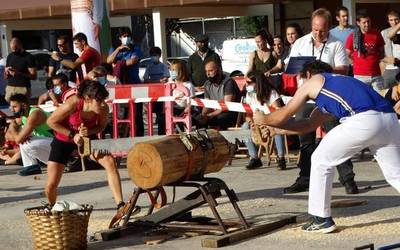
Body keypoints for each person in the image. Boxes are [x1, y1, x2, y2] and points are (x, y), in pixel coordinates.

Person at [253, 61, 400, 233]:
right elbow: (309, 124)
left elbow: (284, 113)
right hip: (389, 120)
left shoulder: (313, 81)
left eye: (300, 77)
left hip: (363, 120)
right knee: (395, 173)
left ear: (308, 74)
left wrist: (264, 119)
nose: (300, 82)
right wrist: (276, 129)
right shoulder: (340, 86)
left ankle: (320, 218)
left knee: (320, 160)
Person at [283, 8, 358, 195]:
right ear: (311, 25)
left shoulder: (336, 45)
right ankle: (305, 178)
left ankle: (348, 179)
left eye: (322, 30)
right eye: (315, 29)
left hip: (329, 95)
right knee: (304, 137)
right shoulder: (300, 43)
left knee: (337, 136)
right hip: (306, 96)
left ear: (329, 27)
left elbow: (344, 70)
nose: (318, 33)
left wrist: (323, 70)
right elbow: (291, 70)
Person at [46, 80, 125, 210]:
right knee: (51, 184)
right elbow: (51, 122)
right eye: (99, 100)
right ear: (88, 99)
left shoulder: (103, 108)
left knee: (110, 161)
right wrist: (73, 135)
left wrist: (89, 131)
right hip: (64, 139)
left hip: (87, 139)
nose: (103, 104)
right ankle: (52, 207)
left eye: (104, 99)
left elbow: (101, 126)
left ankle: (121, 205)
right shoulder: (73, 103)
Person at [242, 71, 286, 170]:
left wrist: (266, 121)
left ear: (257, 83)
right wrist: (251, 122)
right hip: (256, 121)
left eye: (249, 83)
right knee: (244, 127)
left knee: (277, 127)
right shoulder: (249, 94)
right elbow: (247, 114)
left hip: (271, 120)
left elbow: (277, 112)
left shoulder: (271, 93)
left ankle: (281, 157)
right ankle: (255, 158)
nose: (246, 85)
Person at [106, 27, 144, 136]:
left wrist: (117, 64)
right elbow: (108, 60)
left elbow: (133, 61)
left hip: (134, 84)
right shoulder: (114, 49)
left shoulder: (135, 48)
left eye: (128, 36)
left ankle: (139, 136)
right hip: (119, 86)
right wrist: (118, 50)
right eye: (124, 36)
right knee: (121, 114)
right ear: (119, 38)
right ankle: (123, 135)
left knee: (136, 114)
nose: (126, 38)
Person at [7, 94, 53, 176]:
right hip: (49, 143)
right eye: (11, 107)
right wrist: (19, 135)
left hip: (58, 143)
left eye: (14, 107)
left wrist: (13, 127)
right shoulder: (23, 117)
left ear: (24, 105)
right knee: (25, 140)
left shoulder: (35, 114)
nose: (12, 110)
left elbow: (18, 139)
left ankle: (52, 163)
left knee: (27, 142)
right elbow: (7, 136)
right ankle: (31, 167)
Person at [345, 10, 385, 93]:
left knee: (380, 97)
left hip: (376, 74)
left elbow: (382, 52)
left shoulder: (376, 33)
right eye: (364, 22)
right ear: (358, 23)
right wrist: (357, 62)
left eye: (368, 21)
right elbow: (347, 54)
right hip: (360, 76)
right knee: (363, 99)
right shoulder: (352, 36)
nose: (367, 24)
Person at [194, 60, 240, 130]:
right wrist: (203, 115)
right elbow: (207, 104)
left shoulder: (228, 82)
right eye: (206, 71)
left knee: (220, 118)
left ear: (218, 70)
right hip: (216, 112)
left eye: (210, 70)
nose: (208, 74)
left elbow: (227, 105)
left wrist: (210, 115)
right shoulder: (207, 84)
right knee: (199, 120)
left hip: (230, 112)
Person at [4, 37, 37, 102]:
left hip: (22, 88)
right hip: (10, 87)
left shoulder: (28, 57)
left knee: (23, 109)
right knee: (13, 109)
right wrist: (6, 73)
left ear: (20, 45)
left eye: (16, 48)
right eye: (12, 49)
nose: (14, 51)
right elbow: (5, 76)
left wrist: (17, 73)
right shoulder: (10, 56)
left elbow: (34, 76)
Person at [381, 10, 400, 89]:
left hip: (399, 68)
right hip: (389, 69)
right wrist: (386, 60)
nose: (394, 22)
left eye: (396, 19)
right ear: (388, 21)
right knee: (387, 96)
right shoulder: (384, 33)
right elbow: (380, 54)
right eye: (391, 20)